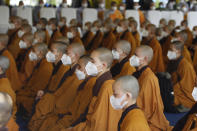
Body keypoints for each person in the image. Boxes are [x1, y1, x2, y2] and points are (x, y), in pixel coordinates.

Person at [28, 43, 85, 131]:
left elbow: (65, 101)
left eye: (67, 53)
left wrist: (50, 98)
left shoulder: (77, 77)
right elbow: (57, 89)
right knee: (43, 101)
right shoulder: (68, 69)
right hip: (55, 99)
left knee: (45, 107)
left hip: (59, 106)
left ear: (76, 56)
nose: (65, 55)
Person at [63, 48, 122, 131]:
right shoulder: (99, 83)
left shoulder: (108, 87)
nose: (88, 64)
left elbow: (99, 124)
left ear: (103, 65)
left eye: (92, 62)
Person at [37, 56, 97, 130]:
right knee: (46, 101)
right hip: (63, 111)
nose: (76, 68)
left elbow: (77, 112)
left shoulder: (90, 84)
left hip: (68, 117)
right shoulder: (77, 78)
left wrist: (60, 113)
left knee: (49, 119)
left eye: (79, 66)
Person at [130, 45, 170, 130]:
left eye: (136, 56)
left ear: (145, 59)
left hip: (146, 117)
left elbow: (147, 107)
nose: (132, 57)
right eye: (133, 54)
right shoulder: (137, 73)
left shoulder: (149, 78)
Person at [16, 43, 53, 114]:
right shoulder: (41, 63)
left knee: (15, 97)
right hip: (29, 91)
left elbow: (36, 89)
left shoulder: (46, 67)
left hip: (33, 97)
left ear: (40, 53)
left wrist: (23, 93)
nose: (31, 52)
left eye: (33, 50)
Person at [166, 41, 196, 111]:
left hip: (182, 94)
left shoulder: (185, 66)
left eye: (171, 50)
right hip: (173, 88)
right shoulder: (172, 61)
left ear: (178, 51)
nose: (169, 52)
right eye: (169, 50)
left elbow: (187, 87)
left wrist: (170, 89)